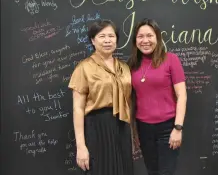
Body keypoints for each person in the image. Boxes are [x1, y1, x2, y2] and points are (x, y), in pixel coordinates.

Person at [68, 19, 133, 175]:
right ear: (93, 40)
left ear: (116, 40)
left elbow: (129, 101)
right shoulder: (84, 67)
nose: (107, 40)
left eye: (111, 36)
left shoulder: (124, 67)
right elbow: (78, 108)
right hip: (97, 127)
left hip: (122, 127)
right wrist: (81, 146)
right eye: (102, 36)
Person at [128, 18, 187, 175]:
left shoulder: (171, 59)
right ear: (135, 40)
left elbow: (182, 95)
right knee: (152, 171)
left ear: (157, 38)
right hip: (143, 128)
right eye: (140, 36)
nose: (145, 40)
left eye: (150, 36)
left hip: (168, 127)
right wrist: (134, 131)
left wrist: (178, 128)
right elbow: (132, 100)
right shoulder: (132, 65)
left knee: (166, 172)